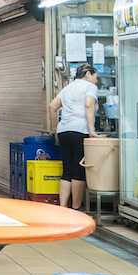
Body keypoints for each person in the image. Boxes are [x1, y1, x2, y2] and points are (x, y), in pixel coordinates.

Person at [48, 64, 104, 211]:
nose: (96, 80)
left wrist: (55, 128)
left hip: (64, 131)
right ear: (88, 74)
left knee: (67, 169)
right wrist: (91, 130)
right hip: (80, 130)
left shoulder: (68, 88)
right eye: (96, 76)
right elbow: (88, 106)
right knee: (78, 170)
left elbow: (52, 107)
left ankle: (63, 207)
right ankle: (76, 208)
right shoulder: (90, 87)